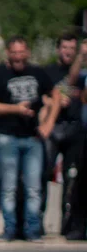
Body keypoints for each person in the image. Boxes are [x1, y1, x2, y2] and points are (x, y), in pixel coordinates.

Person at [0, 36, 56, 241]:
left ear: (27, 53)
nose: (18, 56)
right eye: (14, 52)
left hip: (32, 138)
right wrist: (14, 108)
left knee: (33, 188)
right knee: (8, 187)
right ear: (8, 53)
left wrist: (48, 123)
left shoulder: (37, 73)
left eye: (21, 52)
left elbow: (56, 96)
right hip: (6, 137)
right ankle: (9, 229)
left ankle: (32, 230)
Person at [42, 33, 86, 238]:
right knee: (44, 175)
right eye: (64, 47)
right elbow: (41, 96)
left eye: (72, 48)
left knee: (71, 180)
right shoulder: (48, 71)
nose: (68, 51)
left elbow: (73, 79)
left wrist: (81, 57)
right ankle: (38, 223)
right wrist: (54, 102)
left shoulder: (82, 73)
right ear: (58, 49)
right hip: (53, 128)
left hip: (75, 130)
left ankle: (66, 226)